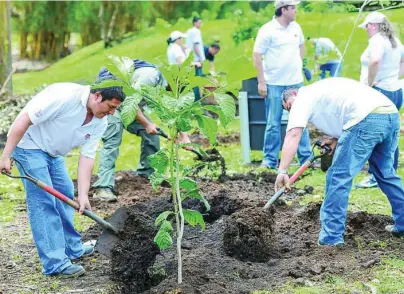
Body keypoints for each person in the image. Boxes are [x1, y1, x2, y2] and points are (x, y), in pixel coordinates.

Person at [0, 79, 125, 277]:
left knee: (65, 193)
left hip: (53, 151)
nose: (111, 112)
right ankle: (55, 263)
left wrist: (83, 195)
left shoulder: (100, 121)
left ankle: (71, 248)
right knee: (44, 202)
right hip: (29, 145)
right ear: (97, 95)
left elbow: (87, 157)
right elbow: (24, 119)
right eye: (110, 107)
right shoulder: (65, 98)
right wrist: (6, 154)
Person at [275, 77, 404, 246]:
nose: (292, 112)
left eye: (289, 107)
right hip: (389, 114)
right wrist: (337, 138)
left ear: (293, 94)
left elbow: (293, 134)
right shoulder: (322, 89)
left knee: (338, 176)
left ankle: (331, 238)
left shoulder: (302, 96)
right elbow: (344, 110)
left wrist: (282, 171)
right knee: (385, 174)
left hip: (366, 118)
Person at [93, 59, 191, 202]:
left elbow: (173, 112)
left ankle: (147, 174)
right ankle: (103, 187)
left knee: (153, 135)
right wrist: (146, 124)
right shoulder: (151, 76)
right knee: (113, 137)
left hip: (129, 107)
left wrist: (185, 137)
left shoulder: (163, 88)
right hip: (112, 102)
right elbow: (130, 100)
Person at [253, 0, 312, 170]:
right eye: (293, 8)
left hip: (295, 83)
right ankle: (270, 160)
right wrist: (261, 81)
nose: (296, 11)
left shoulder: (296, 28)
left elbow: (301, 46)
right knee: (273, 123)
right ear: (283, 10)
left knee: (301, 121)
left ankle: (306, 160)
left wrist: (299, 64)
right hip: (274, 84)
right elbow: (257, 55)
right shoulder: (267, 30)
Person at [354, 11, 404, 189]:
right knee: (391, 134)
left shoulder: (376, 40)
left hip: (381, 91)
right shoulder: (394, 41)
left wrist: (370, 82)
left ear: (373, 25)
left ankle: (376, 176)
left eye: (367, 26)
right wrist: (395, 77)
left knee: (376, 134)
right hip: (395, 91)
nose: (366, 30)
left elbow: (375, 60)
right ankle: (389, 171)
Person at [186, 16, 205, 101]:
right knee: (197, 81)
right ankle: (197, 100)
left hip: (190, 59)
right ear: (195, 22)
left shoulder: (189, 31)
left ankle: (192, 99)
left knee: (192, 80)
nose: (200, 24)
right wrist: (201, 58)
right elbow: (196, 45)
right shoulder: (196, 31)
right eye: (199, 22)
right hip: (196, 60)